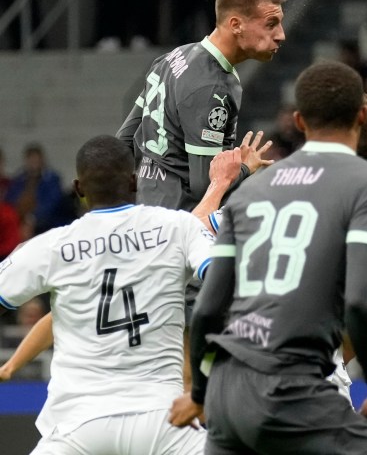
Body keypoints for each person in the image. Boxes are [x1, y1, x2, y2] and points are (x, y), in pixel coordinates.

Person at [169, 61, 367, 454]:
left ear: (298, 120)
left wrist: (199, 393)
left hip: (228, 393)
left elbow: (208, 307)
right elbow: (362, 305)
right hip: (299, 387)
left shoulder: (251, 191)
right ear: (362, 120)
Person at [0, 135, 213, 454]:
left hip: (76, 425)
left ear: (78, 189)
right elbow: (224, 281)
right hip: (164, 418)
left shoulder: (52, 246)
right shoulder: (177, 227)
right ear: (133, 181)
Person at [116, 0, 286, 211]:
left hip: (147, 219)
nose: (281, 35)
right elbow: (204, 185)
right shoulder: (212, 89)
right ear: (236, 24)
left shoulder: (173, 57)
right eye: (271, 24)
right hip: (183, 227)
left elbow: (124, 143)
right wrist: (245, 167)